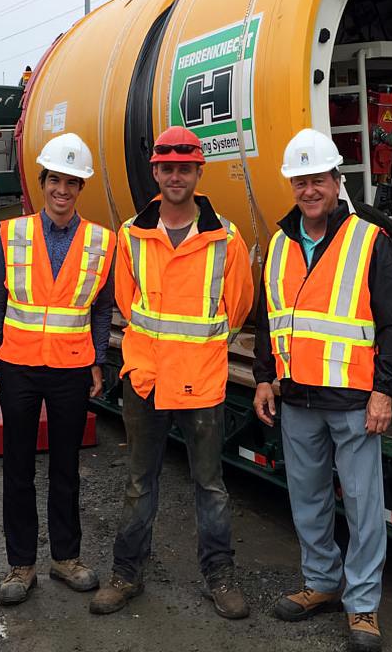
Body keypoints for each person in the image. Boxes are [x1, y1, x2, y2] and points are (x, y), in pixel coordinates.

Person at [252, 128, 392, 652]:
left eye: (317, 179)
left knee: (364, 506)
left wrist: (385, 390)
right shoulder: (279, 243)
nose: (308, 189)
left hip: (353, 400)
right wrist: (262, 379)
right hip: (297, 399)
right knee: (308, 500)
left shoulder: (368, 239)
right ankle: (320, 582)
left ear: (337, 182)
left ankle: (362, 605)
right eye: (300, 181)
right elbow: (267, 319)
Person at [89, 126, 254, 619]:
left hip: (200, 381)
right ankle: (126, 575)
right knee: (140, 482)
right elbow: (126, 299)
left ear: (198, 173)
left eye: (185, 167)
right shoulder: (133, 235)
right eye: (168, 167)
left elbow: (238, 305)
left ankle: (219, 577)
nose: (176, 175)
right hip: (146, 377)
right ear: (156, 172)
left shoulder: (226, 238)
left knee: (210, 485)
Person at [0, 133, 116, 606]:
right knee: (17, 468)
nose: (63, 190)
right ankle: (21, 565)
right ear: (43, 183)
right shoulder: (15, 233)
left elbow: (102, 308)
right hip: (18, 365)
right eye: (56, 180)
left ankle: (66, 559)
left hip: (72, 368)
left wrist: (98, 360)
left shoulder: (102, 240)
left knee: (67, 468)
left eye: (72, 182)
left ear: (81, 188)